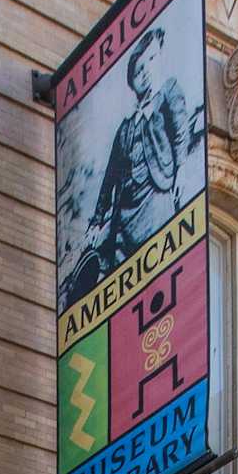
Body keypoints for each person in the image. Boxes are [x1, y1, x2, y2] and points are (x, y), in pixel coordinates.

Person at [60, 29, 197, 309]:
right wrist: (97, 221)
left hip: (155, 200)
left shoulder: (168, 93)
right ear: (131, 81)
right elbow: (110, 178)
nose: (144, 73)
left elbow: (182, 131)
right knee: (122, 286)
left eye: (150, 62)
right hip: (124, 213)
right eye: (138, 70)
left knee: (159, 275)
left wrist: (181, 170)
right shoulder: (125, 127)